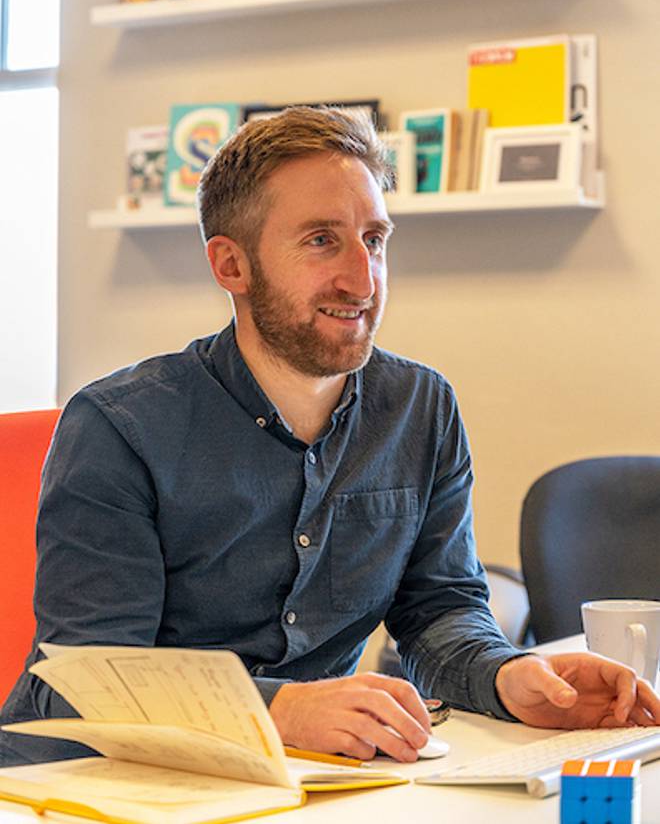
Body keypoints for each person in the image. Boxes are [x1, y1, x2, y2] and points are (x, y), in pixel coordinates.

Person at [1, 107, 658, 768]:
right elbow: (86, 681)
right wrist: (279, 710)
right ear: (231, 265)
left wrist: (505, 677)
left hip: (307, 780)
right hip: (89, 782)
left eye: (373, 239)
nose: (363, 280)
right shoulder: (120, 427)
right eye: (322, 240)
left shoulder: (420, 408)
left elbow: (438, 610)